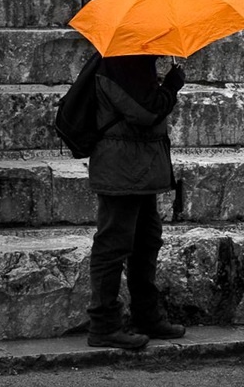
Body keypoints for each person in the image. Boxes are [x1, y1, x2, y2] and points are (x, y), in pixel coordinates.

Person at [86, 54, 186, 350]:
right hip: (122, 168)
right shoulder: (121, 63)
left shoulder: (138, 62)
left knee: (146, 241)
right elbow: (145, 112)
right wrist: (171, 86)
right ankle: (103, 326)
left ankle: (146, 316)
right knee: (113, 244)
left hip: (139, 167)